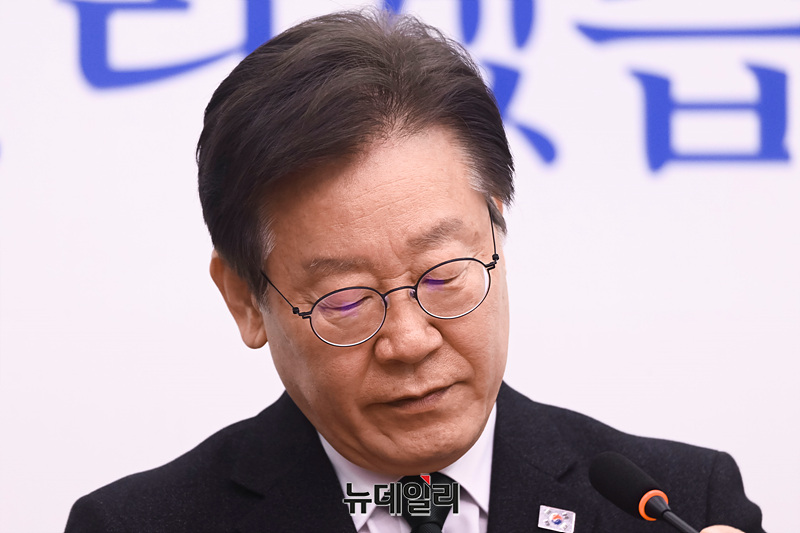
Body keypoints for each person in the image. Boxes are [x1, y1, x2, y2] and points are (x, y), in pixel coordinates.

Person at [65, 10, 764, 533]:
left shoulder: (678, 505)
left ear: (497, 230)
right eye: (346, 299)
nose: (409, 340)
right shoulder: (135, 524)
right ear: (246, 300)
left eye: (443, 273)